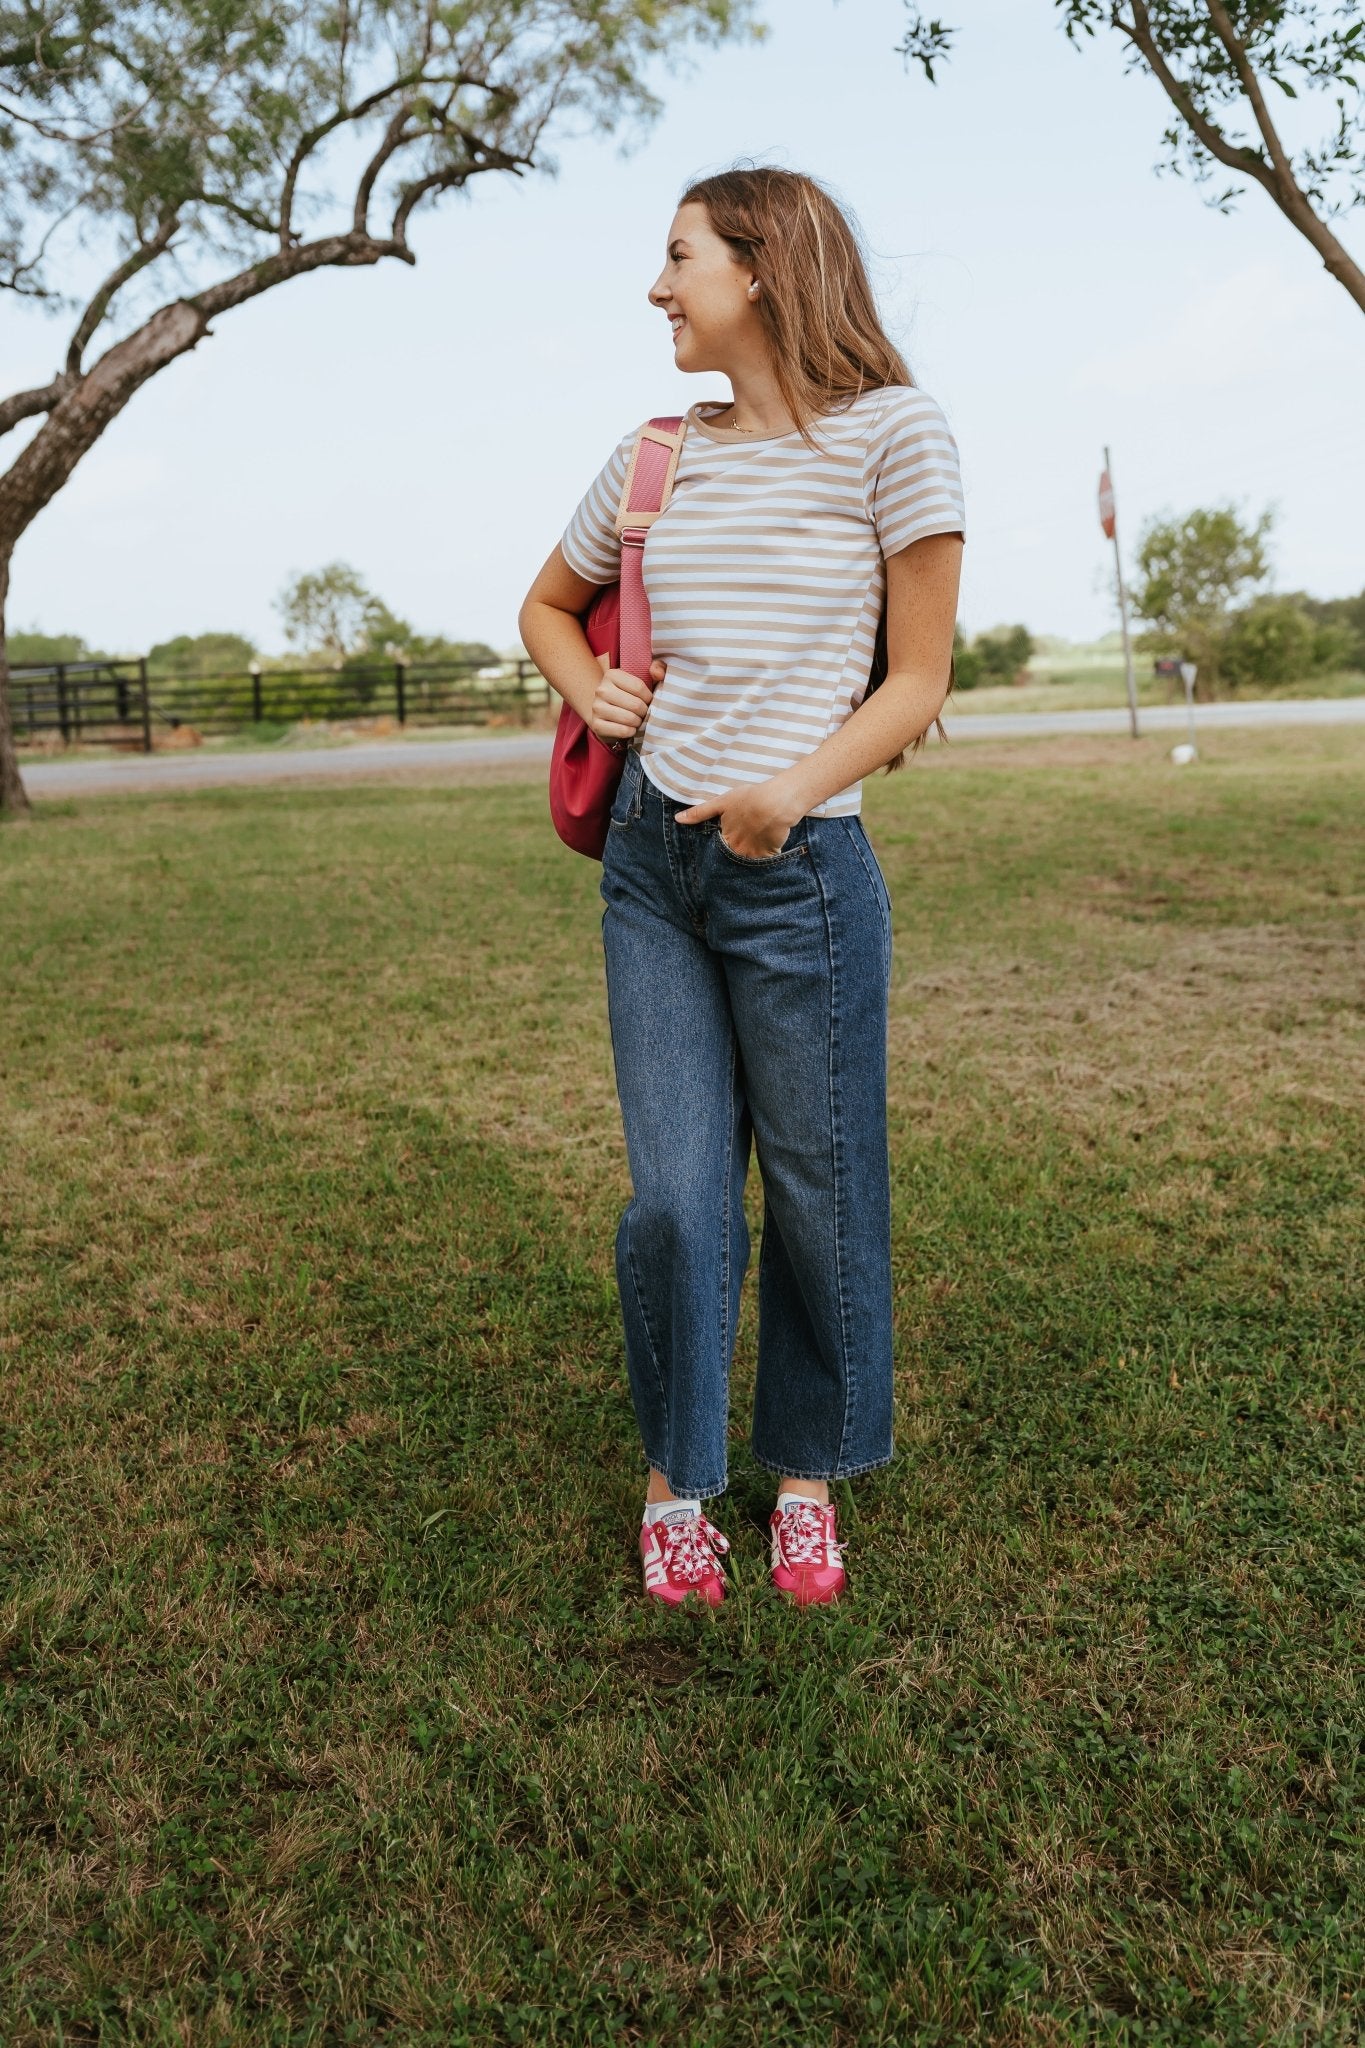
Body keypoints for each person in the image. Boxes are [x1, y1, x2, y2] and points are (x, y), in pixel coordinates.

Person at [519, 165, 964, 1608]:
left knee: (822, 1194)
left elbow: (918, 678)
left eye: (679, 259)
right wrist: (595, 686)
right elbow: (544, 604)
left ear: (762, 267)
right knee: (674, 1201)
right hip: (653, 868)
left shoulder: (895, 438)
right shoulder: (654, 457)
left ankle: (808, 1479)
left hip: (801, 872)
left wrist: (784, 794)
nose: (657, 290)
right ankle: (675, 1482)